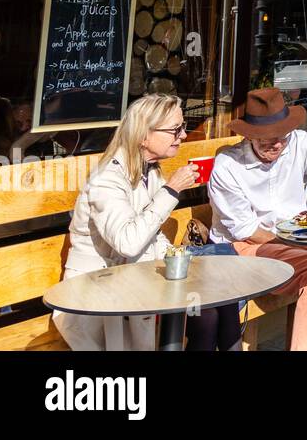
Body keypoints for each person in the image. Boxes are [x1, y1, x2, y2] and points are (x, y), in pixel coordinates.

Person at [57, 94, 241, 351]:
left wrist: (185, 260)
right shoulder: (107, 179)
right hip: (96, 292)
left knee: (222, 297)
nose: (184, 136)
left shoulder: (148, 170)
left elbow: (151, 236)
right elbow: (128, 243)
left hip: (137, 276)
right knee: (205, 315)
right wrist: (171, 191)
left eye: (183, 127)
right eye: (175, 130)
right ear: (144, 135)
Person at [208, 88, 307, 351]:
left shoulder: (299, 142)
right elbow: (247, 231)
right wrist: (302, 243)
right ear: (249, 135)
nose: (276, 144)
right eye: (266, 139)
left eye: (281, 136)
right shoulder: (228, 165)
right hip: (242, 248)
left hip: (291, 238)